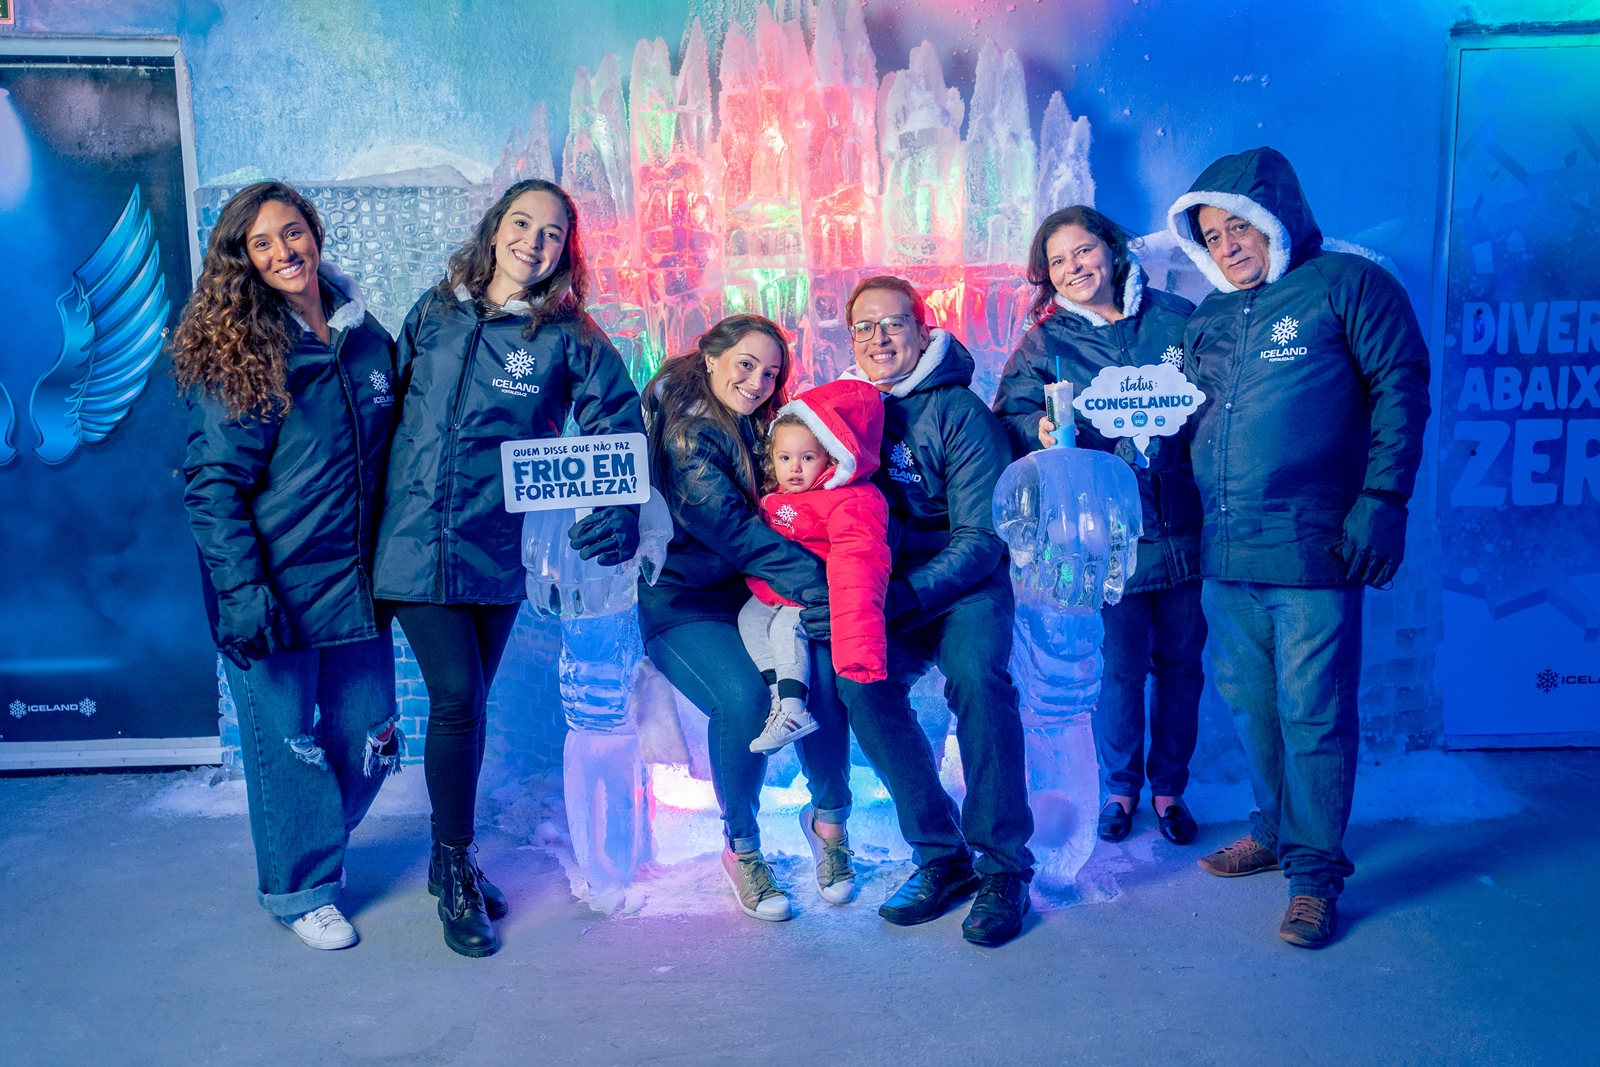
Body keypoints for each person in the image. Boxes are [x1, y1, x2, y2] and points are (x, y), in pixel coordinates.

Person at [372, 179, 644, 957]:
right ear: (495, 230)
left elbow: (617, 418)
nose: (533, 241)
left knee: (472, 703)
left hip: (498, 546)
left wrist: (620, 504)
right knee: (458, 698)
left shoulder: (567, 335)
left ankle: (446, 856)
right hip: (413, 542)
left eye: (552, 233)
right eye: (522, 223)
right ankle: (456, 864)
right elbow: (384, 411)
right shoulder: (434, 311)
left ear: (565, 251)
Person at [1167, 147, 1430, 947]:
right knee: (1251, 707)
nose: (1228, 246)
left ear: (1277, 217)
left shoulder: (1351, 286)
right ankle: (1277, 828)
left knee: (1312, 713)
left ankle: (1314, 875)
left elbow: (1401, 385)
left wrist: (1383, 501)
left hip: (1314, 549)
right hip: (1224, 553)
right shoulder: (1208, 318)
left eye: (1239, 227)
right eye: (1212, 236)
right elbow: (1181, 415)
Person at [174, 182, 402, 951]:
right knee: (288, 747)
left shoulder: (363, 333)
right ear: (244, 258)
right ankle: (301, 889)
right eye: (263, 242)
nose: (284, 251)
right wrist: (242, 592)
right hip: (271, 588)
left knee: (370, 736)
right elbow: (213, 484)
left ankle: (315, 839)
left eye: (293, 231)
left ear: (315, 231)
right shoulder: (245, 349)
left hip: (356, 583)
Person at [992, 206, 1207, 847]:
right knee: (1120, 668)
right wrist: (1035, 428)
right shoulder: (1047, 343)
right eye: (1057, 261)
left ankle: (1169, 789)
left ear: (1111, 249)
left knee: (1182, 665)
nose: (1073, 268)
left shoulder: (1176, 319)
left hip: (1186, 524)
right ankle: (1121, 788)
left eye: (1082, 251)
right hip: (1108, 534)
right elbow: (1008, 414)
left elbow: (1220, 402)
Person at [835, 276, 1036, 947]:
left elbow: (982, 537)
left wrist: (900, 595)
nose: (879, 338)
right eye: (864, 327)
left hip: (963, 582)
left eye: (894, 323)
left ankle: (1003, 868)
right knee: (860, 681)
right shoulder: (843, 412)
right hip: (887, 586)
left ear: (923, 331)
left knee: (978, 679)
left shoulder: (960, 411)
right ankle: (941, 855)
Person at [641, 315, 858, 919]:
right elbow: (736, 531)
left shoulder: (760, 424)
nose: (758, 382)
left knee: (821, 671)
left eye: (770, 373)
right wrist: (826, 586)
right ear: (710, 357)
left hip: (754, 593)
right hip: (684, 601)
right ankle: (742, 849)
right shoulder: (687, 432)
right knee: (743, 699)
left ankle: (831, 825)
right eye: (746, 364)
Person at [738, 378, 891, 753]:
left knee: (786, 629)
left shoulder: (848, 499)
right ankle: (779, 696)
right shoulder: (776, 496)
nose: (795, 467)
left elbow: (859, 566)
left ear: (830, 458)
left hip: (813, 592)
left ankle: (795, 710)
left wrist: (859, 659)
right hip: (777, 588)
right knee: (750, 619)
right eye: (785, 458)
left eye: (807, 458)